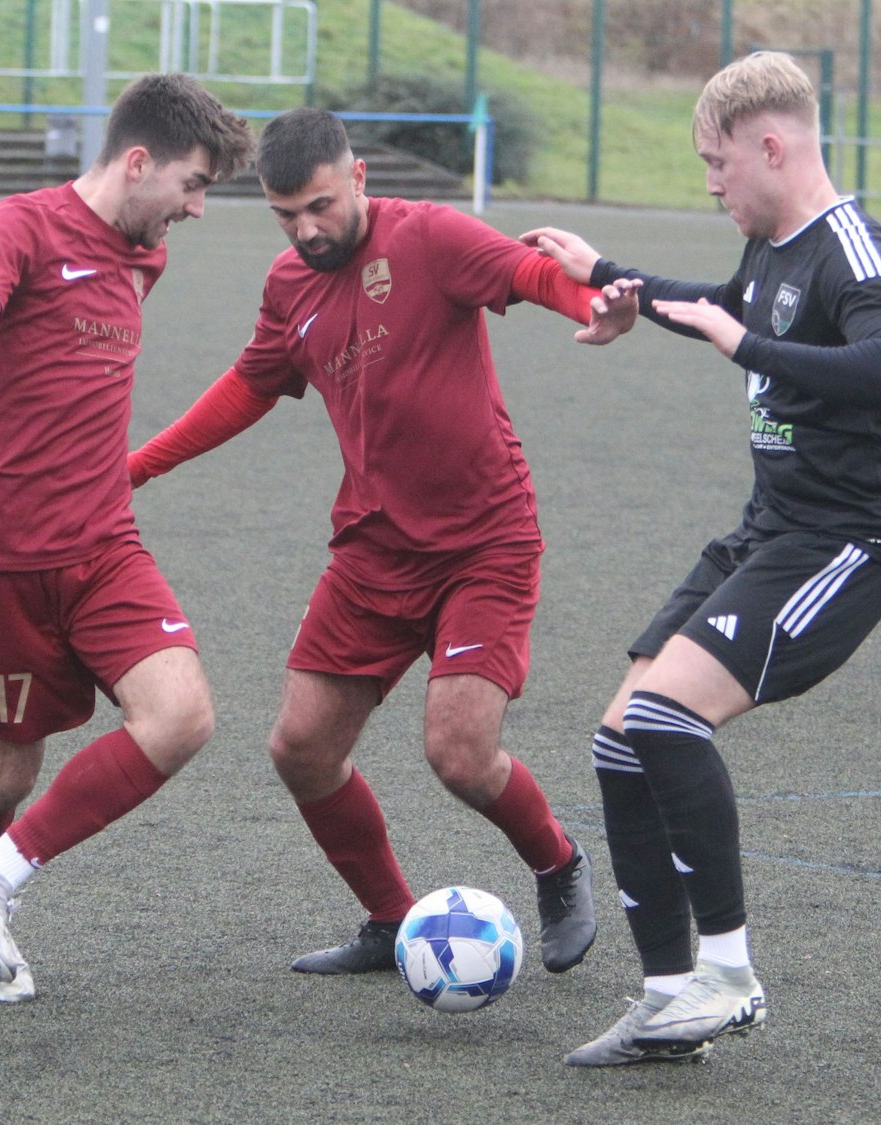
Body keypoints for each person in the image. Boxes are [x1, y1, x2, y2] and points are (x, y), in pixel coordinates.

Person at [128, 108, 635, 980]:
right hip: (372, 548)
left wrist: (595, 304)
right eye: (286, 215)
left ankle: (558, 864)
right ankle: (391, 919)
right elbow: (250, 386)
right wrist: (137, 467)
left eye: (320, 206)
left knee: (459, 753)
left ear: (358, 177)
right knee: (302, 749)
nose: (306, 230)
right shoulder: (289, 284)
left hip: (484, 541)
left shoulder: (429, 237)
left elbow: (526, 271)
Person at [520, 50, 881, 1065]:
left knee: (665, 715)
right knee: (621, 738)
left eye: (716, 162)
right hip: (766, 531)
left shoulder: (855, 253)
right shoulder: (771, 249)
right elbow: (718, 303)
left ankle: (731, 977)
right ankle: (669, 997)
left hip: (845, 543)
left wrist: (741, 345)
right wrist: (604, 273)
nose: (710, 184)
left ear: (770, 146)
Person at [0, 73, 255, 1003]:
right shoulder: (20, 226)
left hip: (106, 543)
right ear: (138, 162)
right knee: (4, 771)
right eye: (192, 184)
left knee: (182, 715)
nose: (196, 208)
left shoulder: (146, 256)